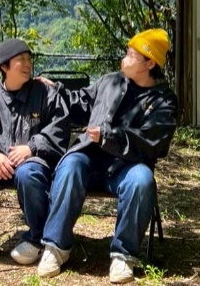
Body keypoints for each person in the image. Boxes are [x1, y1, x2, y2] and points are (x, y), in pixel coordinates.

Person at [36, 29, 177, 284]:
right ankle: (55, 247)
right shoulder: (111, 82)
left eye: (132, 55)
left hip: (128, 166)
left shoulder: (163, 101)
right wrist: (55, 90)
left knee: (142, 180)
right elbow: (80, 103)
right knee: (70, 165)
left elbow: (153, 143)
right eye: (127, 52)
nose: (125, 58)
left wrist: (109, 136)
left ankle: (123, 255)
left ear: (150, 63)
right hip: (90, 159)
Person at [0, 38, 70, 264]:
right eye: (21, 59)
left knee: (27, 173)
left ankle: (37, 238)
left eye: (29, 58)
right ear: (4, 66)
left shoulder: (45, 93)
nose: (28, 64)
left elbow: (59, 127)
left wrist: (31, 147)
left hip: (35, 164)